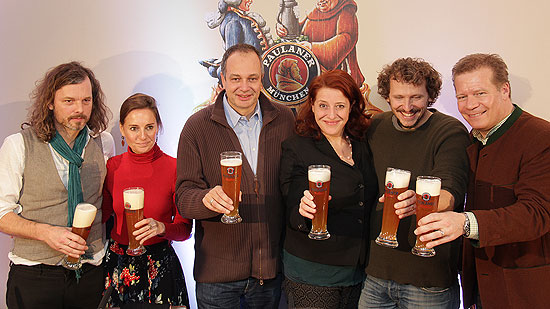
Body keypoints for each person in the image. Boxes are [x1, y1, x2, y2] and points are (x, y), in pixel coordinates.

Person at [415, 53, 550, 308]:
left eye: (479, 93)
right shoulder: (471, 141)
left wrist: (466, 223)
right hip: (478, 290)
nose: (470, 104)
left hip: (525, 291)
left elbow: (537, 213)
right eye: (462, 97)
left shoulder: (541, 138)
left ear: (504, 90)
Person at [176, 43, 295, 308]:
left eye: (252, 78)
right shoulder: (196, 127)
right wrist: (206, 199)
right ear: (222, 80)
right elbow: (183, 197)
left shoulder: (285, 120)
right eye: (236, 79)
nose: (244, 87)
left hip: (269, 273)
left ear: (262, 79)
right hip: (216, 278)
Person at [0, 61, 114, 308]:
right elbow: (1, 215)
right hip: (35, 275)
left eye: (86, 100)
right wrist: (46, 233)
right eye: (69, 101)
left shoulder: (103, 142)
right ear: (50, 103)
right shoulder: (18, 145)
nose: (79, 109)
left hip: (90, 272)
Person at [358, 58, 470, 309]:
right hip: (377, 272)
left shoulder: (450, 131)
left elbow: (451, 194)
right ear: (387, 96)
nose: (407, 107)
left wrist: (419, 202)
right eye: (399, 97)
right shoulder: (376, 127)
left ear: (430, 96)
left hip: (428, 280)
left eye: (416, 97)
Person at [279, 70, 378, 308]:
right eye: (323, 105)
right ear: (312, 105)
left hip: (359, 271)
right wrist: (304, 210)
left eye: (340, 106)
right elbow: (292, 208)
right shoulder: (296, 147)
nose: (331, 115)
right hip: (313, 271)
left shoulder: (362, 143)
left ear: (351, 106)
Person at [102, 93, 192, 307]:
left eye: (149, 127)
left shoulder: (175, 168)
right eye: (134, 128)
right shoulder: (111, 167)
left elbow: (185, 230)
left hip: (160, 267)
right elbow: (102, 217)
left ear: (158, 127)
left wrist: (161, 227)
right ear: (122, 129)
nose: (142, 136)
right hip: (118, 266)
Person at [276, 0, 381, 115]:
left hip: (338, 81)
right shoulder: (315, 12)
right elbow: (300, 32)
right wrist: (283, 30)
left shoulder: (345, 10)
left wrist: (313, 48)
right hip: (314, 81)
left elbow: (345, 39)